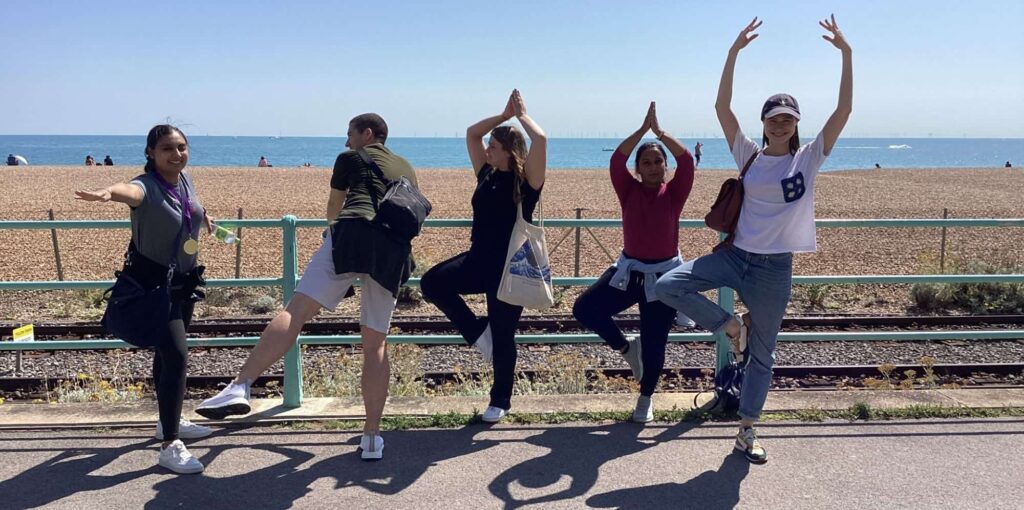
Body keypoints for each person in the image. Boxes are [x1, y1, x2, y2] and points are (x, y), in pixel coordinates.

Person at [655, 15, 852, 464]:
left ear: (796, 123)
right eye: (773, 117)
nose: (780, 123)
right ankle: (730, 325)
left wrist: (847, 54)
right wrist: (732, 55)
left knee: (763, 355)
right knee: (668, 285)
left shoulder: (809, 158)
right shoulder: (748, 154)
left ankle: (747, 429)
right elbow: (722, 109)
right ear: (762, 123)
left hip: (774, 268)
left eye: (788, 118)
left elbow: (843, 112)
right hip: (735, 256)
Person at [196, 113, 418, 461]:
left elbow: (334, 206)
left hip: (352, 234)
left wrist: (331, 231)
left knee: (296, 311)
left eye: (350, 134)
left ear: (368, 133)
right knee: (375, 342)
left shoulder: (350, 158)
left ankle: (240, 386)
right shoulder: (405, 164)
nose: (346, 142)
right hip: (393, 249)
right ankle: (372, 436)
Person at [74, 124, 216, 474]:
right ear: (151, 153)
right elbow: (130, 191)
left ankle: (167, 421)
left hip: (183, 281)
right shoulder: (147, 186)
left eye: (181, 147)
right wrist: (109, 191)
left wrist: (203, 217)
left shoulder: (184, 180)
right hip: (153, 284)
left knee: (166, 354)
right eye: (167, 148)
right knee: (177, 355)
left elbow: (188, 208)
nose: (177, 154)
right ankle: (170, 444)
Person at [420, 89, 546, 423]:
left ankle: (500, 401)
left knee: (505, 335)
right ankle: (479, 334)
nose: (486, 148)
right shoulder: (486, 173)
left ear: (508, 152)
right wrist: (503, 116)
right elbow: (472, 133)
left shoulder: (527, 181)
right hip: (478, 261)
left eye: (494, 146)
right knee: (432, 283)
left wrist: (521, 116)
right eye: (489, 146)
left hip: (510, 269)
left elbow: (541, 139)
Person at [572, 101, 695, 423]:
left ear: (664, 167)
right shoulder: (628, 190)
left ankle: (645, 398)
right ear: (638, 169)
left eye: (658, 161)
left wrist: (661, 132)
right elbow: (616, 159)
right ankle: (627, 349)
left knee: (655, 344)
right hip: (628, 273)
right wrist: (642, 131)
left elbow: (686, 161)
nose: (654, 167)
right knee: (584, 309)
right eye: (647, 162)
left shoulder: (674, 193)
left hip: (665, 278)